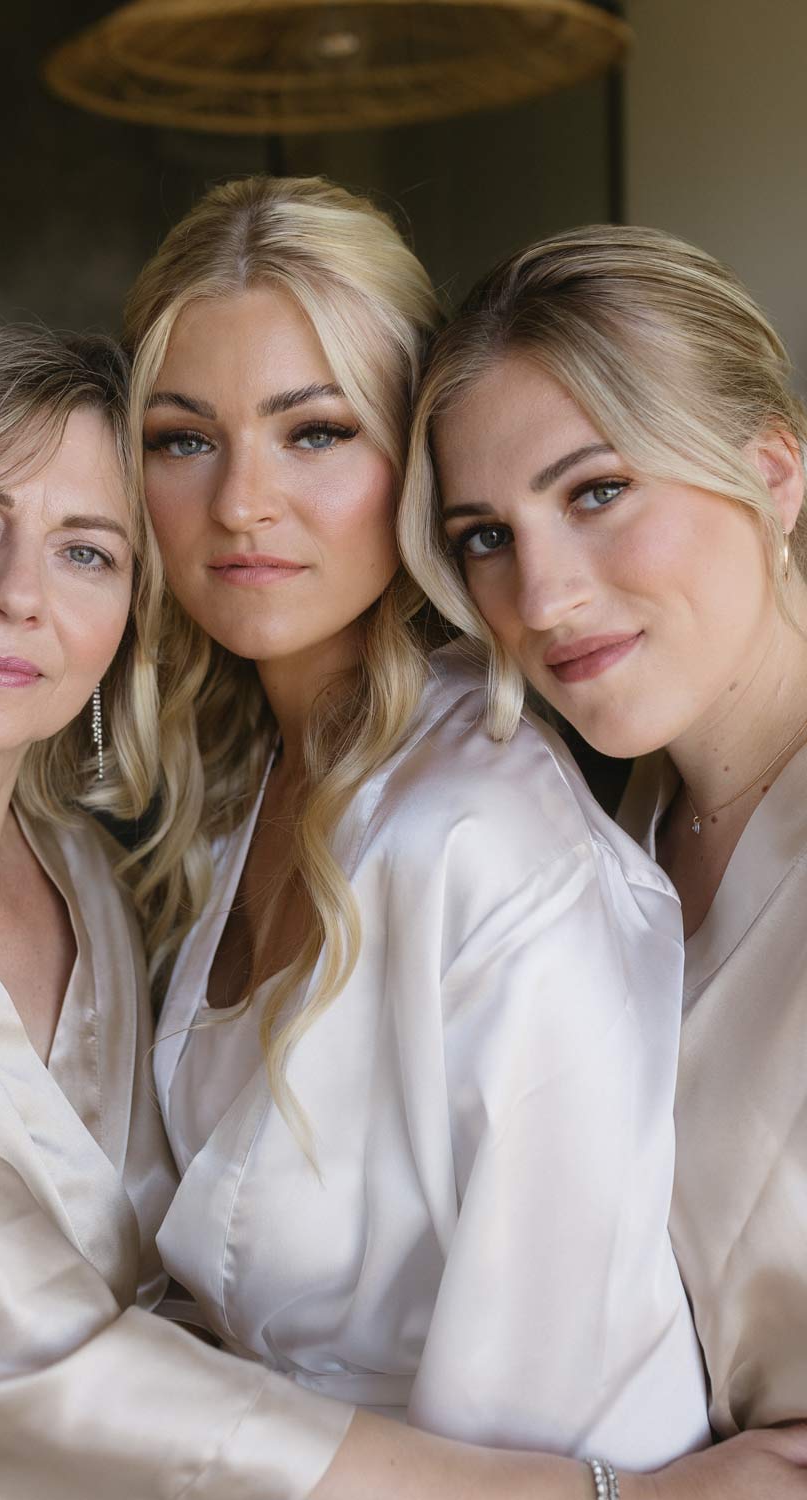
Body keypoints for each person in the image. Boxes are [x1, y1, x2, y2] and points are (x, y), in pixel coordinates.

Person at [0, 321, 532, 1500]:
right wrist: (598, 1494)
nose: (15, 596)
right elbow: (13, 1361)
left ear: (132, 611)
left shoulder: (94, 881)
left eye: (86, 552)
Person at [123, 174, 714, 1496]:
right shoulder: (249, 788)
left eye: (315, 431)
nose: (241, 504)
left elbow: (562, 1401)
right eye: (183, 439)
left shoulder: (489, 835)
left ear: (416, 461)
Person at [404, 222, 807, 1493]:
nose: (543, 594)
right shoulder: (596, 832)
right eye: (485, 535)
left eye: (595, 492)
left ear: (774, 472)